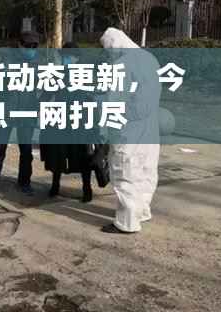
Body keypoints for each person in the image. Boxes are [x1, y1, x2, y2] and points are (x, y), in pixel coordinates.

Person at [99, 27, 161, 234]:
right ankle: (143, 211)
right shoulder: (149, 58)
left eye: (107, 50)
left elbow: (115, 100)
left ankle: (127, 222)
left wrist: (106, 130)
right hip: (150, 125)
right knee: (146, 169)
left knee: (125, 170)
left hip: (129, 125)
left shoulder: (122, 64)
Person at [40, 41, 109, 202]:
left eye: (70, 57)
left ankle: (86, 188)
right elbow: (46, 95)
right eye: (65, 56)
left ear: (77, 58)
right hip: (60, 119)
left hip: (81, 119)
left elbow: (94, 97)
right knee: (58, 154)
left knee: (83, 155)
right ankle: (55, 185)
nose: (67, 60)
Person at [0, 30, 39, 195]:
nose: (31, 49)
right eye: (28, 46)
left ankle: (24, 182)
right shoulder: (7, 58)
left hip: (27, 112)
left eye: (34, 46)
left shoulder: (38, 61)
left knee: (26, 150)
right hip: (6, 110)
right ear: (19, 45)